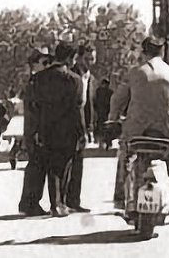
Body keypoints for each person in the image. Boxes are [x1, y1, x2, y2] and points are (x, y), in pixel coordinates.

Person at [109, 35, 169, 212]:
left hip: (137, 133)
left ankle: (121, 198)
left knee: (125, 156)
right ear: (163, 51)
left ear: (143, 52)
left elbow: (117, 100)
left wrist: (113, 119)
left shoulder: (135, 73)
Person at [29, 41, 85, 217]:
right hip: (67, 129)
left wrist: (36, 129)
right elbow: (77, 108)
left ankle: (55, 203)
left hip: (46, 128)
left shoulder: (39, 78)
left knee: (51, 165)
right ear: (70, 58)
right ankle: (59, 203)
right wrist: (82, 132)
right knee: (63, 167)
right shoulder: (74, 80)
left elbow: (34, 106)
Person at [64, 41, 97, 213]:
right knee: (67, 163)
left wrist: (90, 127)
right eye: (88, 58)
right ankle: (62, 201)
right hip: (69, 124)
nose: (91, 62)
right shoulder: (71, 75)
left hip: (83, 124)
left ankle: (74, 200)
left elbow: (89, 104)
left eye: (93, 58)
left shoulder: (90, 77)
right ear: (79, 58)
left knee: (78, 163)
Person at [18, 48, 51, 215]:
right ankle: (31, 202)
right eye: (44, 63)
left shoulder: (36, 81)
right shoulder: (35, 82)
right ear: (35, 65)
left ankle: (28, 202)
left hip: (34, 129)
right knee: (37, 166)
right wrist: (36, 131)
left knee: (35, 166)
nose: (47, 66)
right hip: (35, 130)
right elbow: (35, 109)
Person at [94, 78, 113, 147]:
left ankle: (101, 141)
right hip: (107, 111)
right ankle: (108, 142)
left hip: (100, 111)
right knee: (107, 127)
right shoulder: (110, 92)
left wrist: (95, 109)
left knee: (100, 126)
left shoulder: (98, 91)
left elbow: (95, 101)